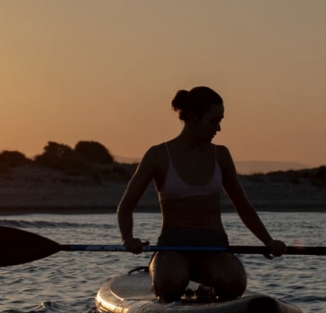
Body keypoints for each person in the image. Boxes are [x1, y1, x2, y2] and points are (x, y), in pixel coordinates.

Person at [116, 86, 286, 301]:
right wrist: (128, 238)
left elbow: (243, 206)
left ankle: (206, 288)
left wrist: (268, 241)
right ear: (193, 117)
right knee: (169, 286)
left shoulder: (221, 155)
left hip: (214, 247)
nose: (219, 128)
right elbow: (126, 207)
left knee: (234, 283)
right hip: (173, 248)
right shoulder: (158, 155)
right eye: (214, 121)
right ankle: (162, 276)